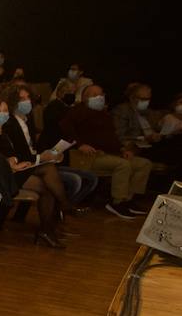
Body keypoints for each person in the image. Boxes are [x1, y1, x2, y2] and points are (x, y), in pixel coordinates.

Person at [0, 102, 69, 247]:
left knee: (48, 177)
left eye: (6, 111)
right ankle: (63, 208)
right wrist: (11, 164)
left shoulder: (3, 134)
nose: (4, 114)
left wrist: (15, 162)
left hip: (12, 172)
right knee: (47, 177)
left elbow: (11, 155)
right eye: (0, 111)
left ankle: (48, 228)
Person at [59, 84, 152, 218]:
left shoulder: (104, 115)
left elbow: (112, 137)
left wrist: (122, 149)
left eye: (101, 94)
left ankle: (128, 199)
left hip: (110, 154)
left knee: (143, 164)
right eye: (95, 95)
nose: (100, 97)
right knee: (123, 165)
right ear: (85, 98)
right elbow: (65, 130)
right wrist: (80, 145)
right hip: (90, 156)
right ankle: (118, 202)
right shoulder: (76, 112)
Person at [3, 86, 98, 208]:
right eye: (22, 99)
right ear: (13, 102)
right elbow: (17, 155)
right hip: (20, 168)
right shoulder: (9, 123)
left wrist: (53, 155)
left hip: (36, 163)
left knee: (87, 177)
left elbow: (33, 148)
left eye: (28, 97)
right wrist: (41, 157)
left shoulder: (28, 119)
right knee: (58, 177)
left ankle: (63, 209)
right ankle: (66, 206)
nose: (27, 101)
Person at [112, 83, 182, 184]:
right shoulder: (122, 110)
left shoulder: (149, 112)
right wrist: (143, 138)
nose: (146, 102)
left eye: (148, 99)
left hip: (155, 143)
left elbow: (159, 128)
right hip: (140, 146)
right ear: (132, 98)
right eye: (143, 99)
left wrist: (168, 133)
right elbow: (120, 136)